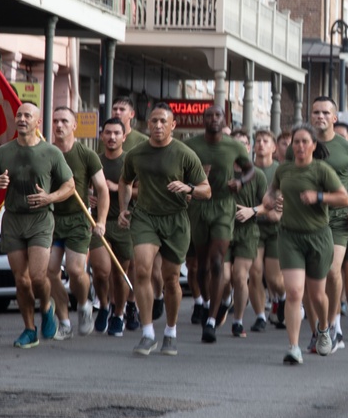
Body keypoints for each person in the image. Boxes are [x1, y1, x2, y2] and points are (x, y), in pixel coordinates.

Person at [118, 103, 212, 356]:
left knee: (171, 278)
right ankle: (148, 332)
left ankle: (170, 330)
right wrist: (124, 208)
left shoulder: (184, 153)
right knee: (142, 269)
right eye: (154, 121)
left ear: (173, 126)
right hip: (145, 217)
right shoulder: (136, 154)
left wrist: (188, 188)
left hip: (176, 220)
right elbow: (125, 181)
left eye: (163, 121)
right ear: (147, 124)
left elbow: (206, 189)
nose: (158, 126)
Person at [0, 102, 75, 348]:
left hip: (40, 219)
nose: (22, 119)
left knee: (37, 276)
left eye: (27, 115)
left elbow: (70, 186)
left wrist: (50, 197)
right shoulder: (3, 152)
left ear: (37, 122)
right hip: (13, 219)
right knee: (21, 280)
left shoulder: (51, 152)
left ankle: (46, 306)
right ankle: (29, 329)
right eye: (19, 115)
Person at [263, 123, 348, 365]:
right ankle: (293, 347)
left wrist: (319, 197)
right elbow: (270, 192)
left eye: (304, 141)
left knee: (317, 295)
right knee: (293, 292)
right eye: (296, 141)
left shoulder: (322, 170)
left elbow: (344, 198)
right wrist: (271, 200)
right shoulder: (284, 170)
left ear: (313, 145)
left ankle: (323, 329)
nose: (300, 146)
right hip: (290, 236)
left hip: (318, 237)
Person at [297, 97, 348, 352]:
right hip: (305, 219)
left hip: (338, 219)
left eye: (325, 112)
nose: (320, 116)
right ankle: (318, 331)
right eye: (315, 112)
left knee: (331, 272)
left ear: (335, 118)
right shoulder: (300, 143)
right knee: (309, 279)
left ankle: (335, 325)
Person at [185, 105, 255, 343]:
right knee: (201, 267)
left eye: (217, 116)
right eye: (209, 116)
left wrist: (241, 182)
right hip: (199, 206)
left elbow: (250, 169)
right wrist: (193, 179)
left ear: (224, 120)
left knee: (217, 262)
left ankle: (212, 321)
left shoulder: (233, 145)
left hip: (224, 207)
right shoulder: (191, 145)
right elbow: (180, 172)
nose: (213, 119)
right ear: (202, 120)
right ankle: (207, 302)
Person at [47, 106, 109, 339]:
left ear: (74, 126)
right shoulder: (47, 152)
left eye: (64, 121)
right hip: (52, 219)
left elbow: (102, 189)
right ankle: (64, 322)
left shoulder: (86, 155)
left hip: (78, 220)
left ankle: (84, 304)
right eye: (55, 121)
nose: (59, 125)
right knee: (49, 272)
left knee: (74, 270)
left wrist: (101, 221)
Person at [94, 117, 134, 335]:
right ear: (102, 136)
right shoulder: (95, 160)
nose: (111, 137)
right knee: (101, 271)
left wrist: (117, 187)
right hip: (98, 223)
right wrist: (92, 195)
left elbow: (142, 190)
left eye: (116, 133)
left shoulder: (130, 161)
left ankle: (119, 314)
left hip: (124, 223)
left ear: (124, 137)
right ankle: (103, 305)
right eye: (108, 133)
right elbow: (84, 187)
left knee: (120, 273)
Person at [226, 130, 269, 337]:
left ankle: (238, 320)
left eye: (244, 144)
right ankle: (225, 300)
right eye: (235, 143)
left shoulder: (257, 175)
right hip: (223, 230)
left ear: (248, 148)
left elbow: (267, 206)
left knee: (240, 276)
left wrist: (251, 211)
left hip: (247, 231)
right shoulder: (222, 171)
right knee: (224, 276)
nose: (240, 147)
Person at [248, 129, 285, 332]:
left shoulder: (280, 170)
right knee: (255, 272)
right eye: (258, 141)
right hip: (254, 227)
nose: (261, 144)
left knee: (274, 279)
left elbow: (288, 197)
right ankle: (260, 315)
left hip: (276, 229)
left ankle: (283, 298)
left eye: (266, 141)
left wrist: (278, 213)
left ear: (273, 147)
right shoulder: (249, 171)